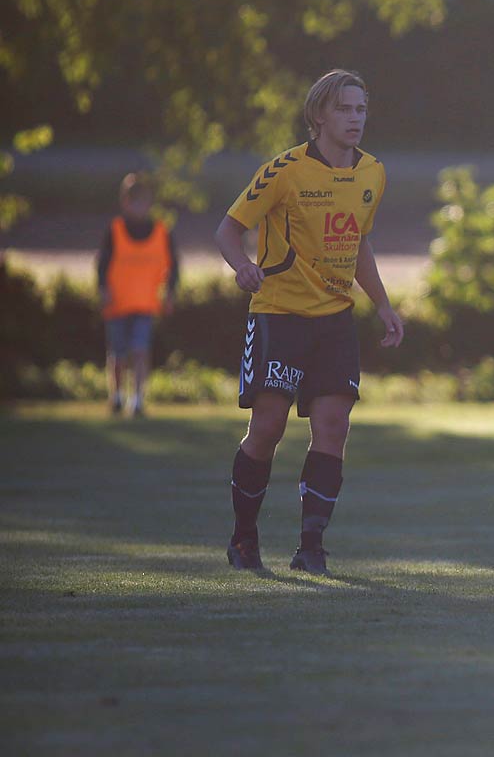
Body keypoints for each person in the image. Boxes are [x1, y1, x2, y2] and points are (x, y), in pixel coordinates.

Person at [214, 69, 403, 575]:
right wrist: (243, 267)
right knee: (268, 426)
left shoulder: (373, 174)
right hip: (278, 315)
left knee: (333, 427)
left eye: (361, 109)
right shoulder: (284, 171)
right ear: (319, 115)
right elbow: (229, 230)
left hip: (336, 320)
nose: (355, 118)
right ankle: (244, 539)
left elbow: (359, 243)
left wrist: (382, 303)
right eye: (345, 108)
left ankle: (311, 547)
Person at [97, 173, 179, 417]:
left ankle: (138, 400)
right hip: (117, 304)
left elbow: (173, 266)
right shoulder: (115, 230)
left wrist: (170, 293)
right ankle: (118, 397)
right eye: (134, 201)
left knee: (141, 351)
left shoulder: (161, 231)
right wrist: (103, 289)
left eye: (143, 201)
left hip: (145, 304)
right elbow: (102, 264)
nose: (139, 206)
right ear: (125, 202)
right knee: (118, 355)